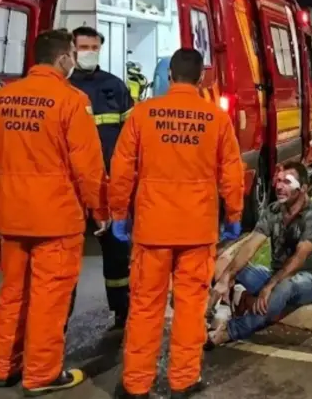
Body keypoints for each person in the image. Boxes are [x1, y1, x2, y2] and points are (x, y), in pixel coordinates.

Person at [0, 28, 108, 396]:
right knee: (49, 299)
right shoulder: (71, 100)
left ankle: (5, 366)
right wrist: (100, 208)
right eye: (73, 54)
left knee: (13, 293)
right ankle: (41, 374)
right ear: (63, 58)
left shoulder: (2, 99)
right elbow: (88, 167)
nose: (75, 61)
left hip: (12, 216)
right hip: (56, 219)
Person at [108, 48, 244, 399]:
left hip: (152, 228)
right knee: (190, 307)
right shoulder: (215, 118)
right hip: (197, 230)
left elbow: (122, 169)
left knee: (145, 306)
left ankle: (136, 384)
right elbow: (232, 173)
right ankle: (183, 380)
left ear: (169, 76)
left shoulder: (143, 114)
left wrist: (119, 214)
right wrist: (233, 215)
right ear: (202, 79)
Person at [206, 162, 312, 347]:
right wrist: (226, 278)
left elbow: (298, 259)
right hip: (275, 275)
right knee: (223, 263)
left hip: (309, 281)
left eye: (287, 182)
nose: (279, 186)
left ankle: (229, 331)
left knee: (284, 286)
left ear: (303, 188)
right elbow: (250, 246)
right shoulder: (273, 210)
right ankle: (237, 302)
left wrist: (269, 286)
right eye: (278, 181)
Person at [66, 26, 133, 333]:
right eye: (84, 47)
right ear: (71, 50)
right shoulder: (63, 88)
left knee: (117, 250)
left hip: (108, 184)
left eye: (94, 47)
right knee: (64, 256)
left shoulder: (114, 86)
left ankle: (122, 308)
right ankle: (60, 316)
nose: (90, 53)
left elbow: (131, 137)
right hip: (70, 188)